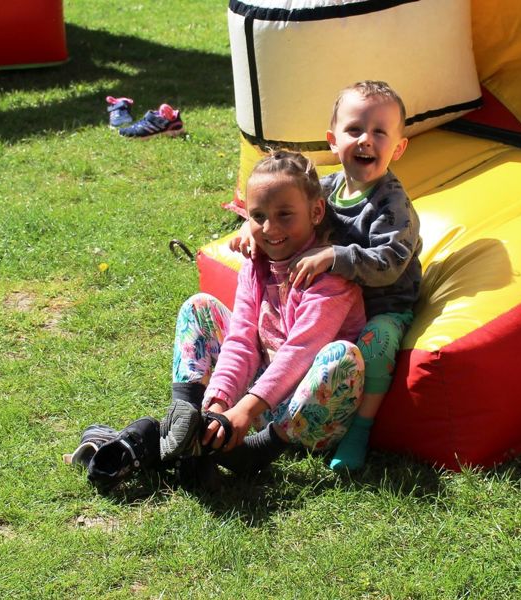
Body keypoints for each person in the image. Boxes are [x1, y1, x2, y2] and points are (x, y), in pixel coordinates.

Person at [77, 150, 367, 492]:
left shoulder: (331, 276)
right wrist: (219, 405)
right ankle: (188, 423)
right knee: (199, 306)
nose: (270, 228)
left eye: (285, 214)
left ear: (316, 211)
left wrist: (244, 411)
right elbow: (242, 340)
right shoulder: (255, 264)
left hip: (309, 414)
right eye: (258, 216)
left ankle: (256, 452)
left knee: (342, 357)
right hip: (258, 398)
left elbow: (299, 353)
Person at [230, 81, 422, 471]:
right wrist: (250, 226)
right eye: (354, 130)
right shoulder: (328, 187)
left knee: (378, 341)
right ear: (333, 140)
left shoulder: (392, 204)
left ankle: (359, 429)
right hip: (332, 304)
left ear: (398, 148)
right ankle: (277, 392)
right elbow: (283, 201)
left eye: (379, 132)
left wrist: (335, 255)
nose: (365, 140)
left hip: (382, 303)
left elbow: (389, 263)